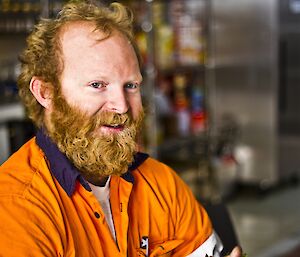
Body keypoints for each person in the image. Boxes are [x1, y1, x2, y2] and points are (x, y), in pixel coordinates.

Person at [0, 1, 242, 256]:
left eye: (131, 86)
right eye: (97, 84)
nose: (122, 107)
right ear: (45, 92)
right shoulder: (15, 206)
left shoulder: (162, 184)